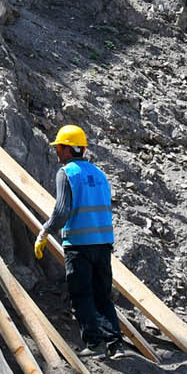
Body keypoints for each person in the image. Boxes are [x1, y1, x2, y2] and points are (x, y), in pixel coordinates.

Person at [32, 124, 124, 357]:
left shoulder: (67, 173)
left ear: (66, 149)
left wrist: (44, 232)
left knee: (82, 294)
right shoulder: (99, 173)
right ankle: (115, 344)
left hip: (79, 245)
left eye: (58, 147)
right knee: (102, 294)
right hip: (103, 243)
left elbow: (62, 211)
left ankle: (94, 344)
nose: (56, 152)